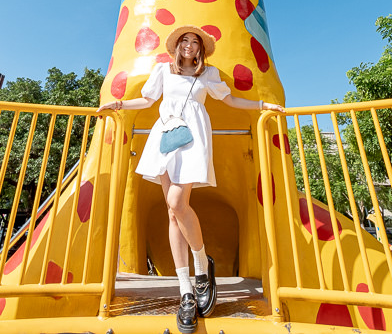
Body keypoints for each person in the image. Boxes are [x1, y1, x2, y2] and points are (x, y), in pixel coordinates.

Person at [98, 25, 283, 334]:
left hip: (194, 137)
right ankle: (186, 291)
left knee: (176, 202)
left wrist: (264, 105)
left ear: (200, 49)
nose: (188, 45)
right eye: (184, 40)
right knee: (172, 212)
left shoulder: (207, 76)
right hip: (166, 135)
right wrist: (119, 104)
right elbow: (146, 101)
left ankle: (201, 265)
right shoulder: (162, 71)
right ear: (177, 46)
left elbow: (231, 100)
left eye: (194, 42)